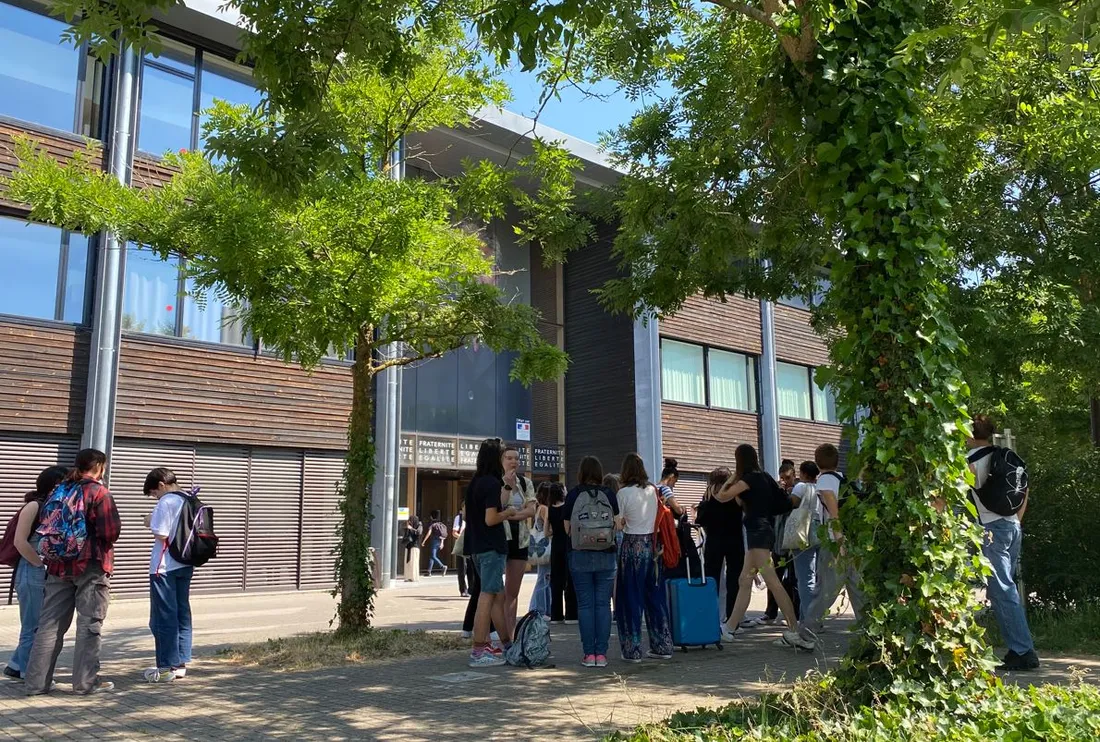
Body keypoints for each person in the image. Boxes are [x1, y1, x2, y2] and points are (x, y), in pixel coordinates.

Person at [24, 448, 121, 695]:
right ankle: (85, 683)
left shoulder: (59, 490)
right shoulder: (99, 492)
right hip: (90, 565)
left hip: (58, 564)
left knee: (49, 625)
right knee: (89, 624)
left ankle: (36, 684)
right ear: (99, 467)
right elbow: (110, 532)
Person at [968, 415, 1039, 671]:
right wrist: (1016, 520)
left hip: (992, 529)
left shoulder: (971, 461)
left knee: (1003, 591)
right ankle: (1016, 650)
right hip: (1012, 527)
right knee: (1004, 590)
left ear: (969, 433)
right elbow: (1024, 490)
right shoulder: (1006, 457)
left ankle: (1023, 651)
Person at [717, 444, 801, 643]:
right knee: (744, 581)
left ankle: (795, 630)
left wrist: (733, 475)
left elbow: (721, 496)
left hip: (757, 533)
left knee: (772, 582)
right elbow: (779, 502)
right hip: (764, 531)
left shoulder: (748, 479)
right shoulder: (764, 477)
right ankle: (729, 628)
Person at [785, 443, 865, 651]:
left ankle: (806, 635)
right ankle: (871, 632)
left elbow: (833, 513)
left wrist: (839, 543)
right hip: (854, 542)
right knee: (857, 589)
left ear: (817, 462)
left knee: (824, 592)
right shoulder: (843, 479)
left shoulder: (825, 481)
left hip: (837, 542)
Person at [3, 466, 67, 681]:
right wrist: (40, 565)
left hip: (39, 571)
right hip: (31, 571)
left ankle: (16, 665)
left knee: (36, 623)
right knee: (34, 625)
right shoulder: (34, 506)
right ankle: (28, 671)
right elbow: (19, 541)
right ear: (54, 485)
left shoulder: (52, 507)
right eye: (65, 484)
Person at [615, 453, 673, 663]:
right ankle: (662, 645)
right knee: (655, 596)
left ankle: (632, 649)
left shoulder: (622, 493)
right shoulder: (652, 490)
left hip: (632, 545)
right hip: (652, 545)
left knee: (630, 597)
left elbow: (619, 524)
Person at [465, 438, 518, 667]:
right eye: (504, 455)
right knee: (487, 595)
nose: (507, 459)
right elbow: (491, 518)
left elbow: (494, 504)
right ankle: (479, 650)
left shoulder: (476, 482)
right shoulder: (490, 483)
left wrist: (507, 486)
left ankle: (507, 645)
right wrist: (508, 513)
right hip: (490, 548)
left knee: (497, 596)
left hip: (477, 547)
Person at [563, 458, 620, 667]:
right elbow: (618, 525)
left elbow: (567, 529)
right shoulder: (609, 494)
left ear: (581, 473)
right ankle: (602, 654)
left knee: (585, 605)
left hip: (580, 555)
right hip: (606, 554)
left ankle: (589, 654)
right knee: (603, 604)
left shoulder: (573, 495)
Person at [142, 467, 194, 683]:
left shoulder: (166, 501)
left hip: (164, 567)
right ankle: (180, 664)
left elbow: (162, 533)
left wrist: (149, 521)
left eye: (154, 493)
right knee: (182, 613)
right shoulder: (189, 498)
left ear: (161, 485)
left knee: (162, 617)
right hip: (186, 563)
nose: (156, 497)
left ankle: (165, 667)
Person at [699, 466, 745, 625]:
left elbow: (702, 518)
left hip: (714, 539)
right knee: (734, 579)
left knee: (711, 578)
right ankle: (732, 619)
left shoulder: (708, 493)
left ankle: (710, 617)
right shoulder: (736, 493)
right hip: (734, 539)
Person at [501, 445, 537, 639]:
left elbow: (531, 510)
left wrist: (510, 515)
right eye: (509, 458)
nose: (513, 461)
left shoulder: (525, 482)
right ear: (502, 460)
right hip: (500, 536)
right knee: (494, 590)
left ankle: (511, 634)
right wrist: (509, 512)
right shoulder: (496, 481)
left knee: (513, 591)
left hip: (520, 538)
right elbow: (497, 507)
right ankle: (495, 633)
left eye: (516, 458)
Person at [761, 461, 801, 626]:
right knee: (774, 577)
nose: (785, 481)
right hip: (778, 541)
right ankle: (770, 612)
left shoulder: (798, 490)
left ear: (794, 476)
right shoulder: (778, 492)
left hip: (793, 541)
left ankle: (795, 613)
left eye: (788, 478)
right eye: (782, 478)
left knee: (793, 579)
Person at [789, 461, 822, 619]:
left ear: (802, 473)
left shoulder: (800, 487)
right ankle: (814, 617)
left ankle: (809, 619)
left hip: (804, 529)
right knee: (817, 577)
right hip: (821, 530)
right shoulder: (821, 487)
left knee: (805, 578)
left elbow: (792, 504)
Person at [548, 477, 577, 624]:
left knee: (556, 580)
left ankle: (556, 615)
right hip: (567, 543)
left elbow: (547, 531)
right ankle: (571, 614)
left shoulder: (549, 509)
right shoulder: (567, 507)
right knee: (569, 578)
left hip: (555, 546)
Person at [528, 482, 556, 618]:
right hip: (546, 547)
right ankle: (539, 609)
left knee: (543, 578)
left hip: (540, 547)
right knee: (544, 579)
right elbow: (549, 528)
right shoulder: (545, 509)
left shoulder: (538, 508)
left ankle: (540, 608)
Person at [421, 510, 448, 578]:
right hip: (439, 541)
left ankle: (442, 566)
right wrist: (442, 543)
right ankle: (429, 571)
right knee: (432, 556)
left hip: (434, 541)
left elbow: (429, 533)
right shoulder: (441, 524)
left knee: (433, 556)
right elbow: (442, 535)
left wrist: (424, 541)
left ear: (432, 517)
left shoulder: (432, 524)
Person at [453, 508, 468, 596]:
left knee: (472, 569)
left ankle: (472, 589)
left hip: (472, 544)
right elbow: (454, 532)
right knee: (462, 568)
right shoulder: (459, 518)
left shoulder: (474, 517)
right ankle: (463, 590)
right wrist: (463, 539)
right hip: (462, 545)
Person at [402, 517, 422, 582]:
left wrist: (411, 529)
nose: (410, 522)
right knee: (408, 563)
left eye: (411, 520)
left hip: (415, 546)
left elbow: (418, 532)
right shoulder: (408, 527)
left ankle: (414, 577)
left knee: (413, 562)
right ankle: (407, 577)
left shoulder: (419, 526)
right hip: (408, 546)